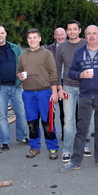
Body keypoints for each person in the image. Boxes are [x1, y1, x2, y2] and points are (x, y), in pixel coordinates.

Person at [59, 25, 98, 172]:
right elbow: (71, 72)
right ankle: (75, 161)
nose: (92, 36)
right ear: (85, 36)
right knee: (82, 129)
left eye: (94, 33)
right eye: (89, 34)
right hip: (85, 95)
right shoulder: (79, 52)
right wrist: (80, 75)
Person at [17, 28, 59, 160]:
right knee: (32, 122)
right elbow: (18, 72)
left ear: (39, 39)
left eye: (35, 37)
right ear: (27, 40)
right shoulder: (23, 56)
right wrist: (19, 76)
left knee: (48, 122)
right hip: (28, 93)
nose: (32, 40)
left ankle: (52, 148)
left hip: (44, 93)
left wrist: (54, 92)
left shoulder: (47, 54)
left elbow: (53, 74)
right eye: (29, 38)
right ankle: (34, 147)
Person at [0, 25, 29, 151]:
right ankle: (5, 141)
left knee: (21, 112)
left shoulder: (14, 47)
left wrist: (22, 79)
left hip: (16, 86)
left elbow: (22, 64)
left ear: (6, 33)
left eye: (2, 33)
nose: (0, 35)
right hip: (0, 87)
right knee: (2, 115)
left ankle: (21, 136)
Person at [55, 20, 88, 162]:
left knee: (83, 119)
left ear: (80, 30)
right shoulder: (62, 47)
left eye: (75, 29)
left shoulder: (87, 44)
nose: (72, 31)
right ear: (67, 32)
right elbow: (56, 69)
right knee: (68, 121)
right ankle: (67, 149)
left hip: (86, 87)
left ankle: (83, 145)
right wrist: (59, 88)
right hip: (68, 86)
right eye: (70, 29)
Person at [46, 27, 67, 140]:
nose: (60, 37)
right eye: (57, 35)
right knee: (51, 111)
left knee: (66, 111)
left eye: (62, 34)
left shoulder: (71, 47)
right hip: (52, 84)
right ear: (54, 37)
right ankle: (51, 134)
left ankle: (66, 133)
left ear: (66, 35)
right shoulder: (49, 50)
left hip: (67, 83)